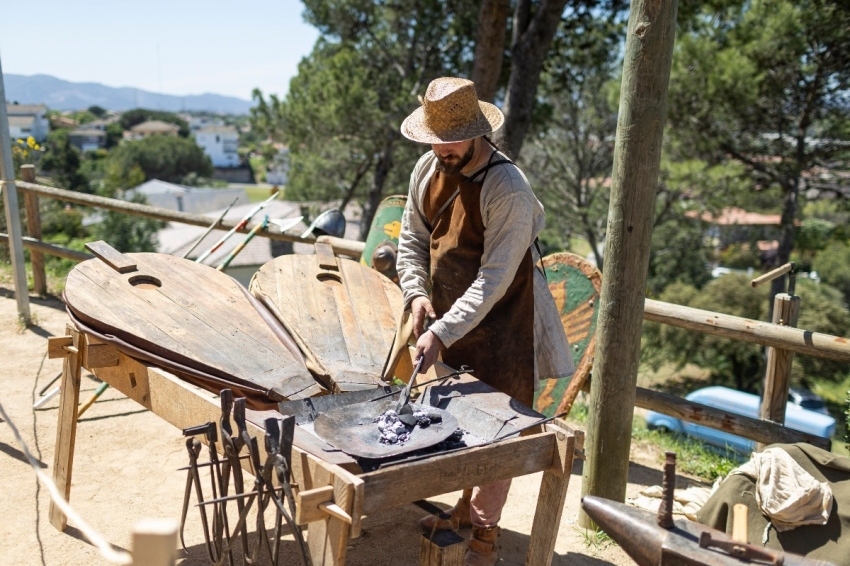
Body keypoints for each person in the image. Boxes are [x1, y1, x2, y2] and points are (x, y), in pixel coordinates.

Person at [396, 77, 574, 566]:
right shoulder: (427, 169)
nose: (441, 148)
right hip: (446, 317)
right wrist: (415, 295)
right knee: (452, 422)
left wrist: (441, 330)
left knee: (497, 435)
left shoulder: (508, 187)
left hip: (503, 325)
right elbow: (411, 240)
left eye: (450, 139)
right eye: (434, 137)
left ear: (477, 132)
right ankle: (459, 511)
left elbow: (494, 279)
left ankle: (485, 537)